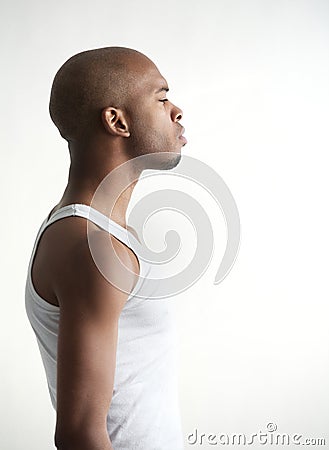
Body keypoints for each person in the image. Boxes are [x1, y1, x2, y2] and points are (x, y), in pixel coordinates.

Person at [25, 47, 187, 450]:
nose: (177, 110)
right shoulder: (93, 247)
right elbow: (79, 433)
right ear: (117, 121)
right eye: (162, 98)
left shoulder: (93, 228)